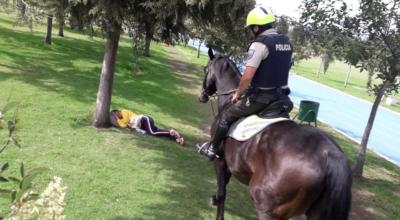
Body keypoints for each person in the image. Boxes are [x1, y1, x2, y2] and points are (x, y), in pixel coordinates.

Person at [197, 6, 293, 160]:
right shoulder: (286, 43)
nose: (250, 31)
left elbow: (247, 77)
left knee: (225, 116)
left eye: (250, 28)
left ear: (256, 28)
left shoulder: (260, 44)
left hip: (261, 99)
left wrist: (237, 94)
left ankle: (212, 149)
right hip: (282, 99)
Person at [110, 109, 184, 145]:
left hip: (144, 119)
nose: (117, 117)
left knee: (153, 132)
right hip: (142, 125)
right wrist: (118, 119)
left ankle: (171, 131)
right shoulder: (121, 120)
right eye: (115, 116)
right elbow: (123, 125)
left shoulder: (124, 111)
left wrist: (117, 119)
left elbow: (124, 123)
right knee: (158, 132)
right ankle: (177, 138)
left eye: (116, 114)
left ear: (118, 111)